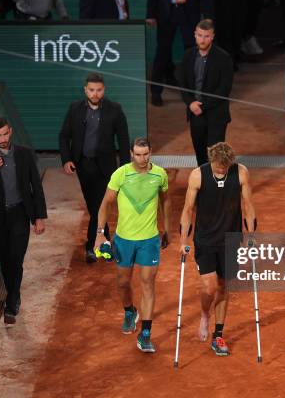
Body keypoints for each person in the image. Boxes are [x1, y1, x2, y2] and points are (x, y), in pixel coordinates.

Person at [179, 142, 255, 356]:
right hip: (205, 239)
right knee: (209, 287)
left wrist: (251, 237)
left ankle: (218, 335)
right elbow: (187, 210)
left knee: (223, 287)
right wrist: (183, 240)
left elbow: (248, 205)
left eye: (225, 165)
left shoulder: (241, 173)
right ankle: (205, 315)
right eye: (218, 165)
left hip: (231, 239)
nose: (222, 168)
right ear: (211, 160)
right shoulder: (197, 175)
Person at [95, 137, 170, 353]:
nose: (142, 158)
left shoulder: (160, 175)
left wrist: (168, 229)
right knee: (122, 282)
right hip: (124, 240)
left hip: (149, 240)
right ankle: (129, 311)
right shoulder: (121, 175)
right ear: (131, 154)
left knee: (148, 283)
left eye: (145, 154)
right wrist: (101, 234)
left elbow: (166, 201)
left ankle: (145, 334)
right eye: (138, 154)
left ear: (151, 152)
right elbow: (105, 204)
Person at [0, 118, 47, 326]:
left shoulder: (24, 153)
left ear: (11, 132)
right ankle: (14, 293)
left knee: (16, 257)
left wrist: (39, 217)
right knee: (6, 260)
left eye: (5, 134)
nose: (3, 139)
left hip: (20, 214)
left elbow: (36, 187)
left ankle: (12, 301)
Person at [59, 72, 130, 263]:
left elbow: (123, 141)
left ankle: (94, 245)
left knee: (99, 204)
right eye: (91, 90)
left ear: (104, 90)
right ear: (85, 90)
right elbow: (64, 136)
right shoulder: (75, 109)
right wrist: (66, 159)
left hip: (106, 167)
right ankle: (102, 241)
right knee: (95, 205)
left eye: (99, 90)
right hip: (83, 166)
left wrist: (125, 169)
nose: (95, 94)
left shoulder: (115, 109)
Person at [181, 19, 233, 166]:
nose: (202, 40)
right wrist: (190, 103)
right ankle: (204, 183)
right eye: (200, 35)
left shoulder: (223, 57)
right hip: (195, 113)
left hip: (216, 114)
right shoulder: (187, 56)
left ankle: (217, 186)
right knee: (200, 153)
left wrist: (202, 107)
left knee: (216, 155)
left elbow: (224, 89)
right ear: (195, 35)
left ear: (212, 36)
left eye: (206, 36)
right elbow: (183, 84)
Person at [147, 0, 213, 106]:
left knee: (192, 54)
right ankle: (156, 92)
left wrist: (208, 15)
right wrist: (150, 14)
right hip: (166, 12)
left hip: (189, 13)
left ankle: (192, 93)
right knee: (162, 52)